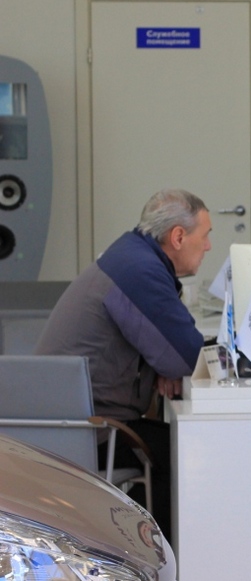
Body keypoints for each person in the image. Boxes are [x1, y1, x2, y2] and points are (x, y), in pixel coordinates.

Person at [36, 189, 212, 534]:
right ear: (178, 237)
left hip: (64, 423)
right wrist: (169, 363)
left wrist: (167, 363)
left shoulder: (131, 255)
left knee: (176, 444)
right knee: (191, 454)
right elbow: (187, 357)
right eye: (204, 236)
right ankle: (141, 552)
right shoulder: (140, 271)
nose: (207, 246)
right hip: (86, 432)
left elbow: (175, 354)